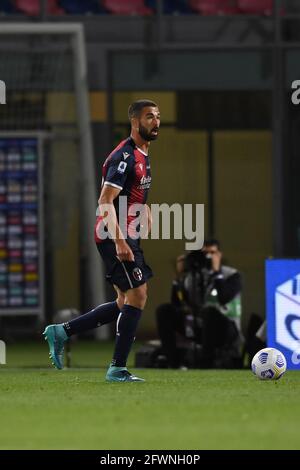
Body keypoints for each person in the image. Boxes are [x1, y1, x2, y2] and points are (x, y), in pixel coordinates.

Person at [43, 99, 160, 382]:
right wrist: (120, 241)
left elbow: (130, 193)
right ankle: (117, 369)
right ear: (135, 122)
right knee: (139, 295)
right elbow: (105, 200)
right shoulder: (124, 156)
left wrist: (143, 210)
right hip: (114, 235)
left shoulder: (144, 154)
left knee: (124, 301)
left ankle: (62, 331)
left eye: (157, 116)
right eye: (148, 117)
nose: (155, 121)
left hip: (126, 234)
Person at [156, 239, 243, 368]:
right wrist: (179, 277)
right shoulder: (191, 276)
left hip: (226, 330)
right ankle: (172, 361)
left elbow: (224, 298)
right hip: (198, 326)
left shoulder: (232, 275)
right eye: (204, 254)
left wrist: (216, 272)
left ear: (219, 255)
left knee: (209, 312)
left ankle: (206, 363)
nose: (207, 257)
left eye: (212, 253)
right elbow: (177, 305)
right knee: (164, 310)